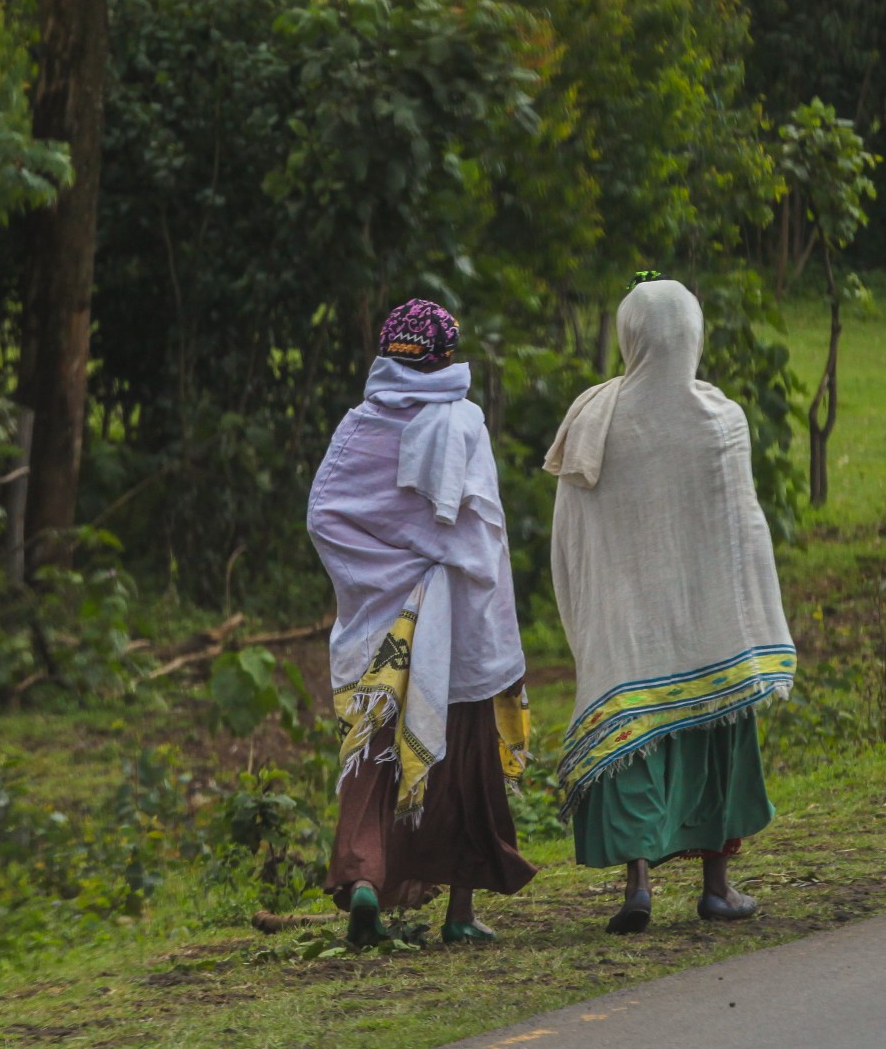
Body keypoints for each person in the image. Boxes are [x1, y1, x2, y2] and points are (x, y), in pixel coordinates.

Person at [543, 278, 795, 934]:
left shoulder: (592, 420)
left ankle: (639, 884)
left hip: (631, 635)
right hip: (707, 624)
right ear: (693, 335)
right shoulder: (720, 419)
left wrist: (590, 611)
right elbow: (742, 532)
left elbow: (572, 535)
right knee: (718, 746)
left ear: (632, 336)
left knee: (637, 747)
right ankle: (717, 886)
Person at [307, 299, 535, 946]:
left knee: (376, 753)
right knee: (463, 760)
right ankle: (459, 912)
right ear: (447, 358)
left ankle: (364, 883)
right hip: (460, 624)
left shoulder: (360, 424)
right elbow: (481, 532)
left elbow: (324, 515)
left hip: (386, 627)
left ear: (387, 354)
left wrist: (388, 577)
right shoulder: (464, 423)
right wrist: (436, 569)